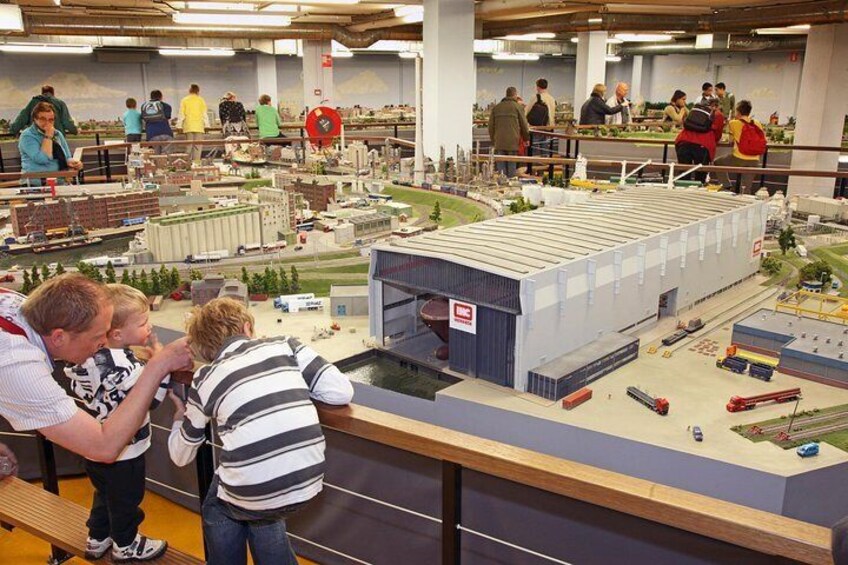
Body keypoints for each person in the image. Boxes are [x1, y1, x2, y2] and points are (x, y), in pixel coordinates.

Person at [167, 297, 354, 565]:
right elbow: (341, 391)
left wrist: (177, 418)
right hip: (308, 481)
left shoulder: (206, 377)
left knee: (219, 507)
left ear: (205, 349)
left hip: (256, 493)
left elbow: (180, 456)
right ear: (247, 328)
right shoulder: (285, 345)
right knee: (261, 513)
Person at [0, 275, 192, 482]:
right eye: (98, 336)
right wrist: (159, 364)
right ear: (58, 337)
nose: (103, 343)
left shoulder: (15, 307)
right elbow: (104, 447)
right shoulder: (15, 363)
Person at [65, 285, 169, 562]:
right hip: (125, 450)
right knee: (126, 501)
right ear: (118, 333)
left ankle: (97, 538)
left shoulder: (89, 359)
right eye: (143, 322)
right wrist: (161, 367)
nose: (149, 326)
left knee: (104, 495)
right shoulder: (126, 369)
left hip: (92, 444)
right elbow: (151, 401)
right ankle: (126, 545)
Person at [18, 102, 83, 183]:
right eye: (43, 119)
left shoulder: (57, 134)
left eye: (51, 120)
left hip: (59, 181)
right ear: (35, 119)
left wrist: (73, 163)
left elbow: (67, 156)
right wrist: (48, 136)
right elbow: (42, 159)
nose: (47, 123)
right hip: (36, 184)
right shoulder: (27, 136)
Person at [714, 100, 766, 194]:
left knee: (718, 162)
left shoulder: (733, 123)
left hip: (738, 157)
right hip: (754, 159)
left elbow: (730, 140)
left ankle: (726, 185)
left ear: (738, 111)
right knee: (746, 188)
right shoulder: (757, 123)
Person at [674, 99, 724, 183]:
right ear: (716, 106)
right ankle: (696, 193)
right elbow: (718, 134)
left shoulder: (695, 111)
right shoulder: (718, 114)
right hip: (703, 145)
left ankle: (681, 192)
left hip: (683, 141)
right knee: (700, 174)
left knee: (684, 173)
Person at [488, 86, 530, 178]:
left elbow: (490, 126)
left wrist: (493, 140)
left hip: (499, 141)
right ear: (515, 95)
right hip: (513, 141)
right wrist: (526, 138)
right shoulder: (518, 107)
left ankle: (502, 186)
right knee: (511, 165)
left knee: (501, 167)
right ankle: (511, 187)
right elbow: (524, 124)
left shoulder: (496, 108)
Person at [11, 84, 77, 137]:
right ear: (53, 93)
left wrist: (13, 130)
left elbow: (22, 118)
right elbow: (67, 121)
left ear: (42, 93)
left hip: (36, 137)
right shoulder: (60, 103)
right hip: (55, 138)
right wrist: (74, 131)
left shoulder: (33, 102)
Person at [525, 78, 556, 173]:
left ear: (537, 87)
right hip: (548, 129)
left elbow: (526, 111)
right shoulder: (552, 98)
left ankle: (534, 173)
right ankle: (545, 174)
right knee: (545, 152)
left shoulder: (536, 97)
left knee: (534, 152)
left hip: (537, 129)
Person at [177, 84, 209, 163]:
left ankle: (187, 164)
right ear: (198, 91)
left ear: (189, 90)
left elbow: (181, 114)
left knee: (189, 146)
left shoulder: (184, 100)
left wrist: (179, 125)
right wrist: (207, 125)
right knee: (198, 147)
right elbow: (204, 114)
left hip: (188, 126)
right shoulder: (201, 100)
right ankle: (196, 164)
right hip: (199, 127)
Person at [140, 90, 174, 155]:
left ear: (150, 97)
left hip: (152, 134)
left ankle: (157, 164)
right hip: (166, 133)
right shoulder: (166, 106)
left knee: (155, 157)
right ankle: (166, 164)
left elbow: (143, 119)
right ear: (161, 97)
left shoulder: (144, 106)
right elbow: (167, 116)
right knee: (167, 157)